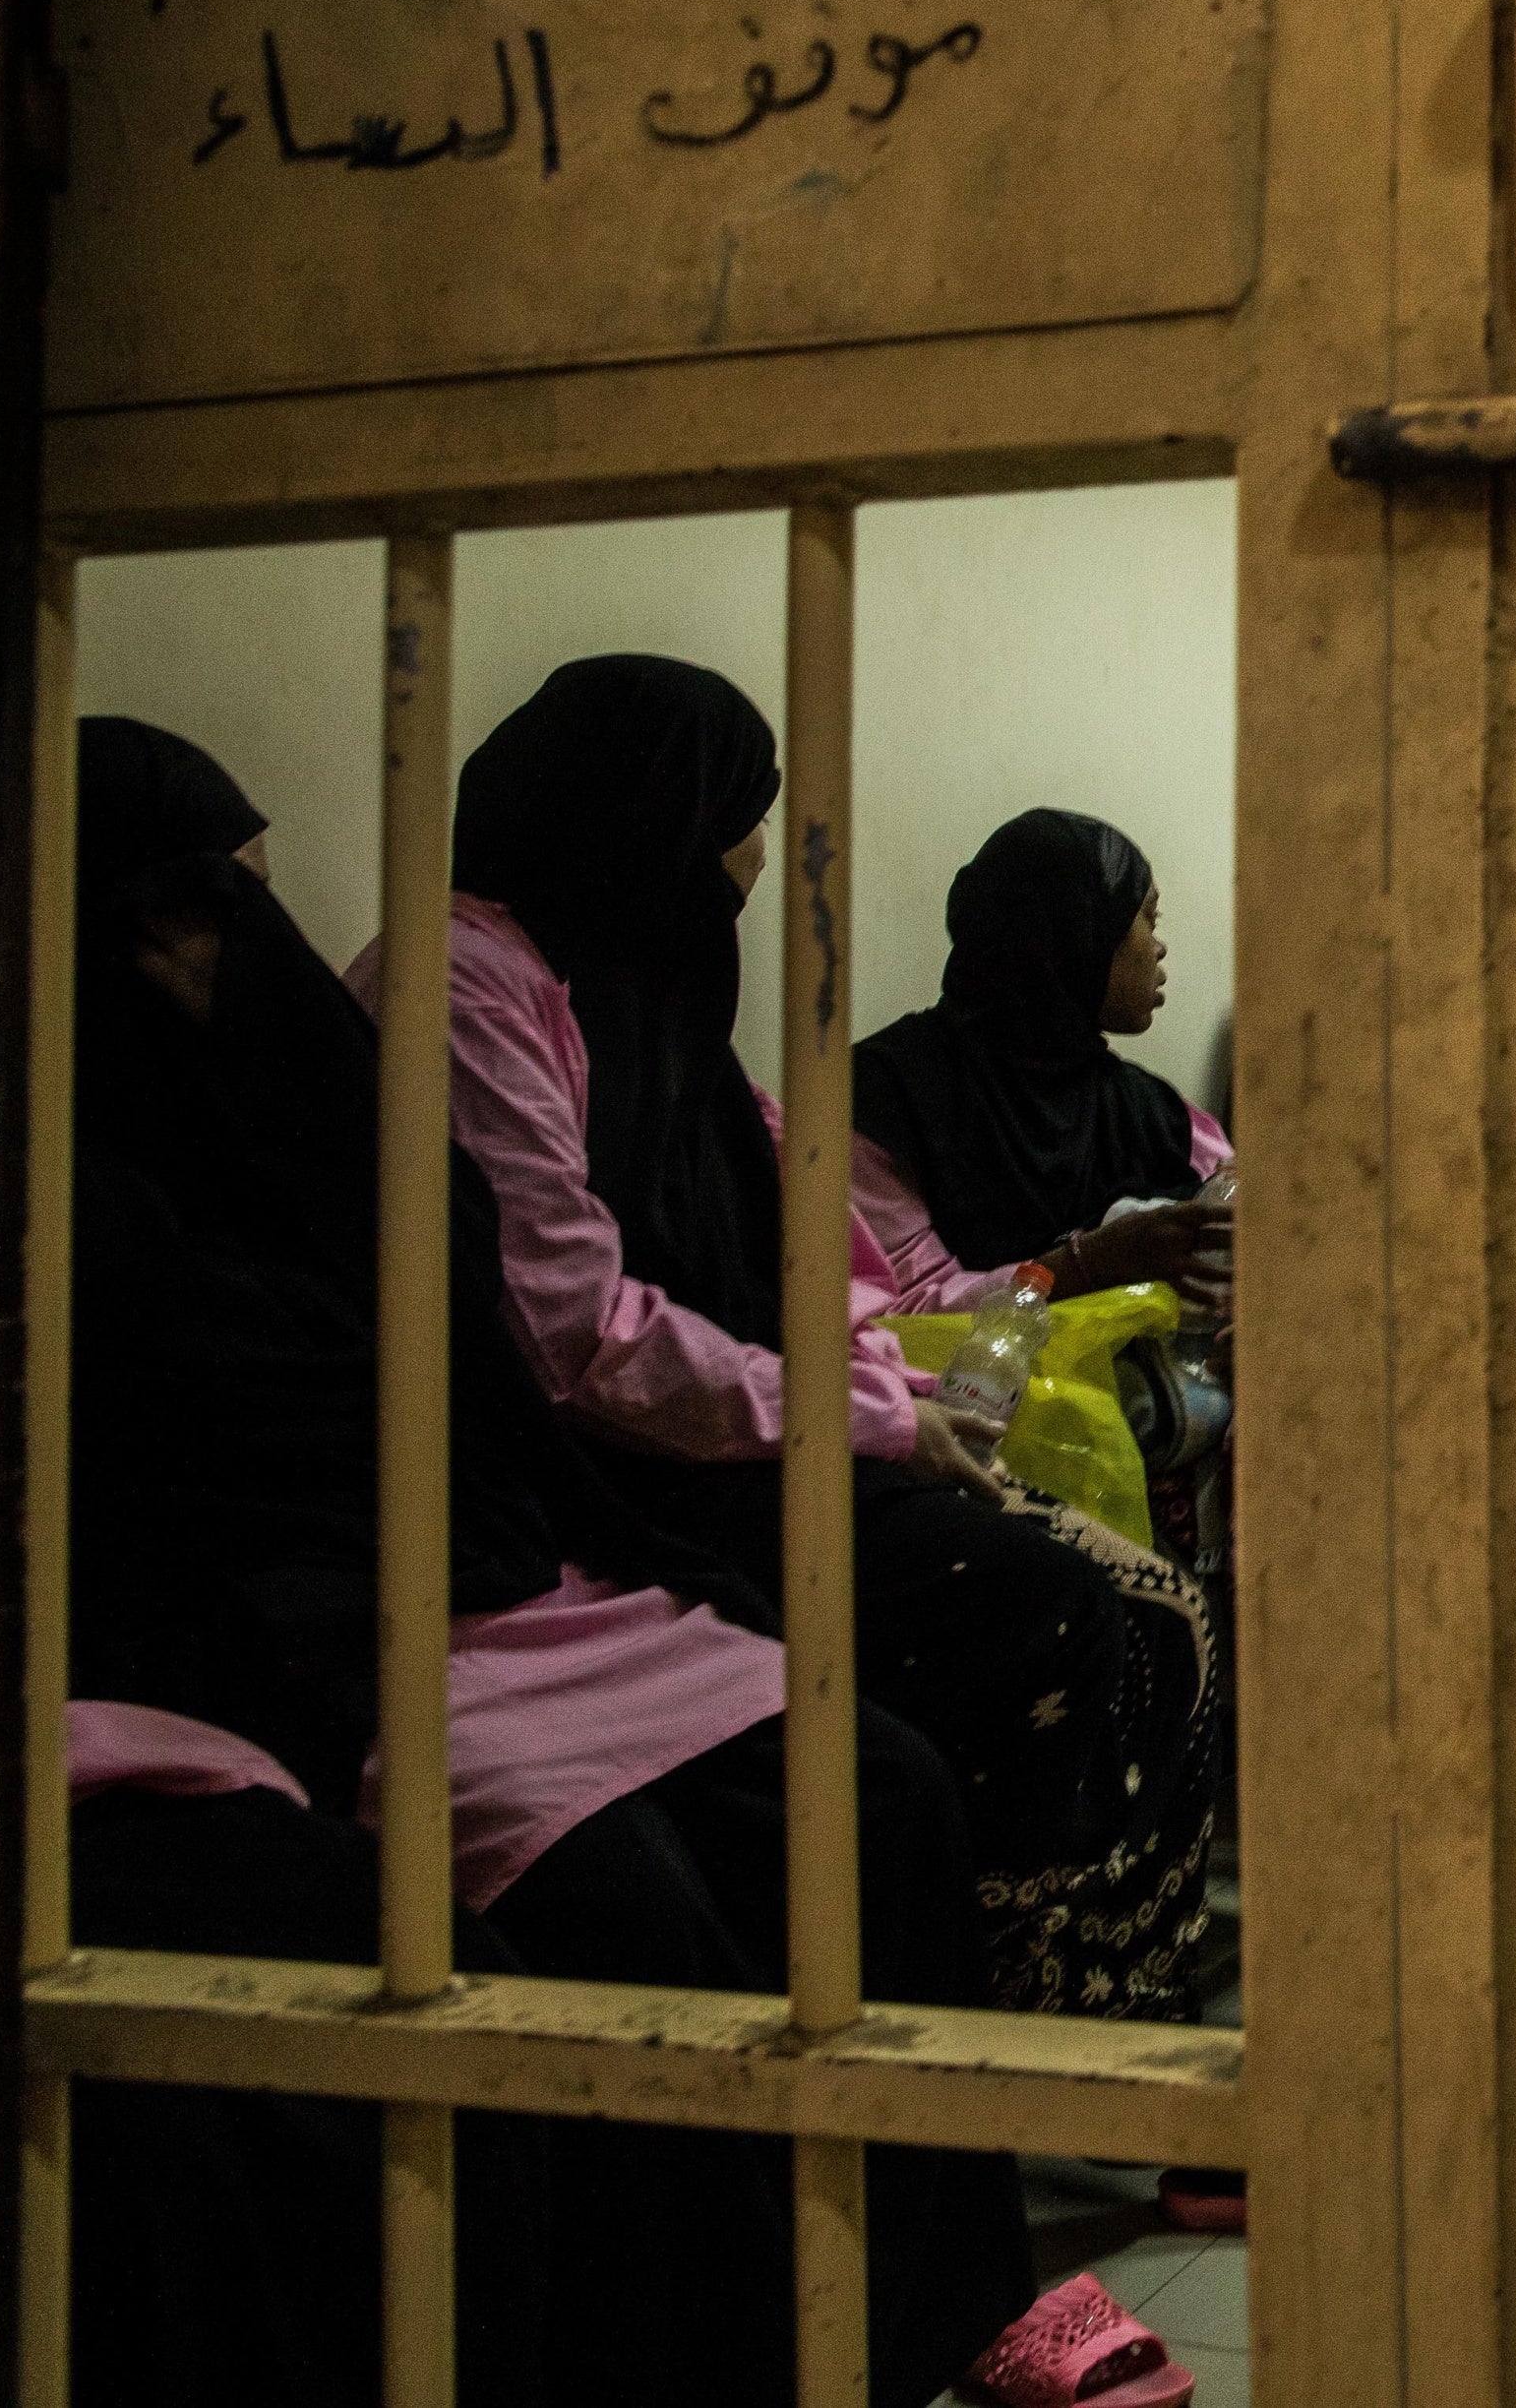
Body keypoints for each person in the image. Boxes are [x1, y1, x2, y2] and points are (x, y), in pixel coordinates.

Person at [64, 719, 1102, 2408]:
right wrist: (869, 1410)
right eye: (205, 910)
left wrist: (890, 1383)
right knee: (652, 1920)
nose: (243, 948)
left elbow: (711, 1250)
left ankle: (918, 2311)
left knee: (881, 1789)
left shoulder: (396, 1075)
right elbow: (562, 1330)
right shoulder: (207, 1110)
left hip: (515, 1554)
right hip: (298, 1631)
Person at [369, 656, 1225, 2027]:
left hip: (739, 1423)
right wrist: (908, 1391)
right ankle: (1040, 2010)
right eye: (748, 814)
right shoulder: (477, 987)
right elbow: (574, 1328)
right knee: (1062, 1609)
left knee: (1149, 1603)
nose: (760, 860)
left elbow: (811, 1276)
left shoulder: (645, 1002)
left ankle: (1097, 2002)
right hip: (584, 1483)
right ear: (661, 818)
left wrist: (896, 1380)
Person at [853, 806, 1232, 1313]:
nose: (1159, 947)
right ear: (1077, 929)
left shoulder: (1152, 1113)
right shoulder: (888, 1093)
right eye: (1146, 918)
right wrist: (1089, 1263)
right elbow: (899, 1309)